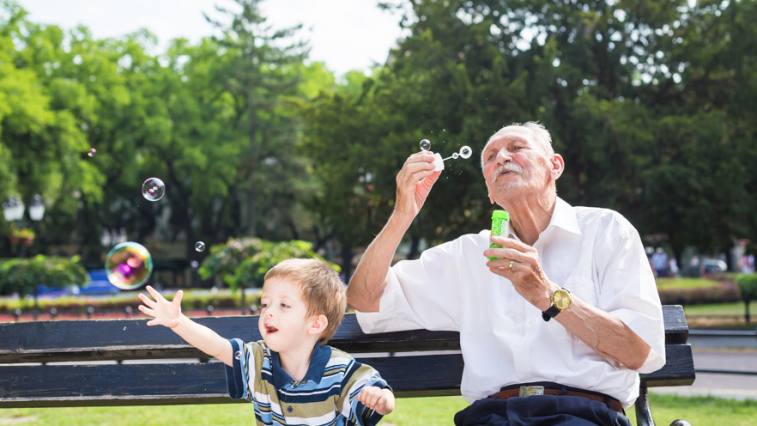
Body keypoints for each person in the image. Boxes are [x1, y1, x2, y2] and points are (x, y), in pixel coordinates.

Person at [347, 122, 665, 425]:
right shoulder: (467, 255)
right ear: (489, 191)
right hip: (491, 417)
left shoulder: (606, 231)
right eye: (490, 156)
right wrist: (403, 213)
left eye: (516, 147)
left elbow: (637, 352)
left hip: (583, 414)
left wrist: (547, 296)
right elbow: (364, 298)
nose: (502, 157)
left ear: (555, 166)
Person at [139, 258, 395, 425]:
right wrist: (178, 322)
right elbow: (218, 346)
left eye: (284, 305)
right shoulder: (258, 360)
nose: (268, 312)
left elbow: (373, 391)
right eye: (265, 304)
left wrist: (381, 398)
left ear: (315, 324)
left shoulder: (339, 369)